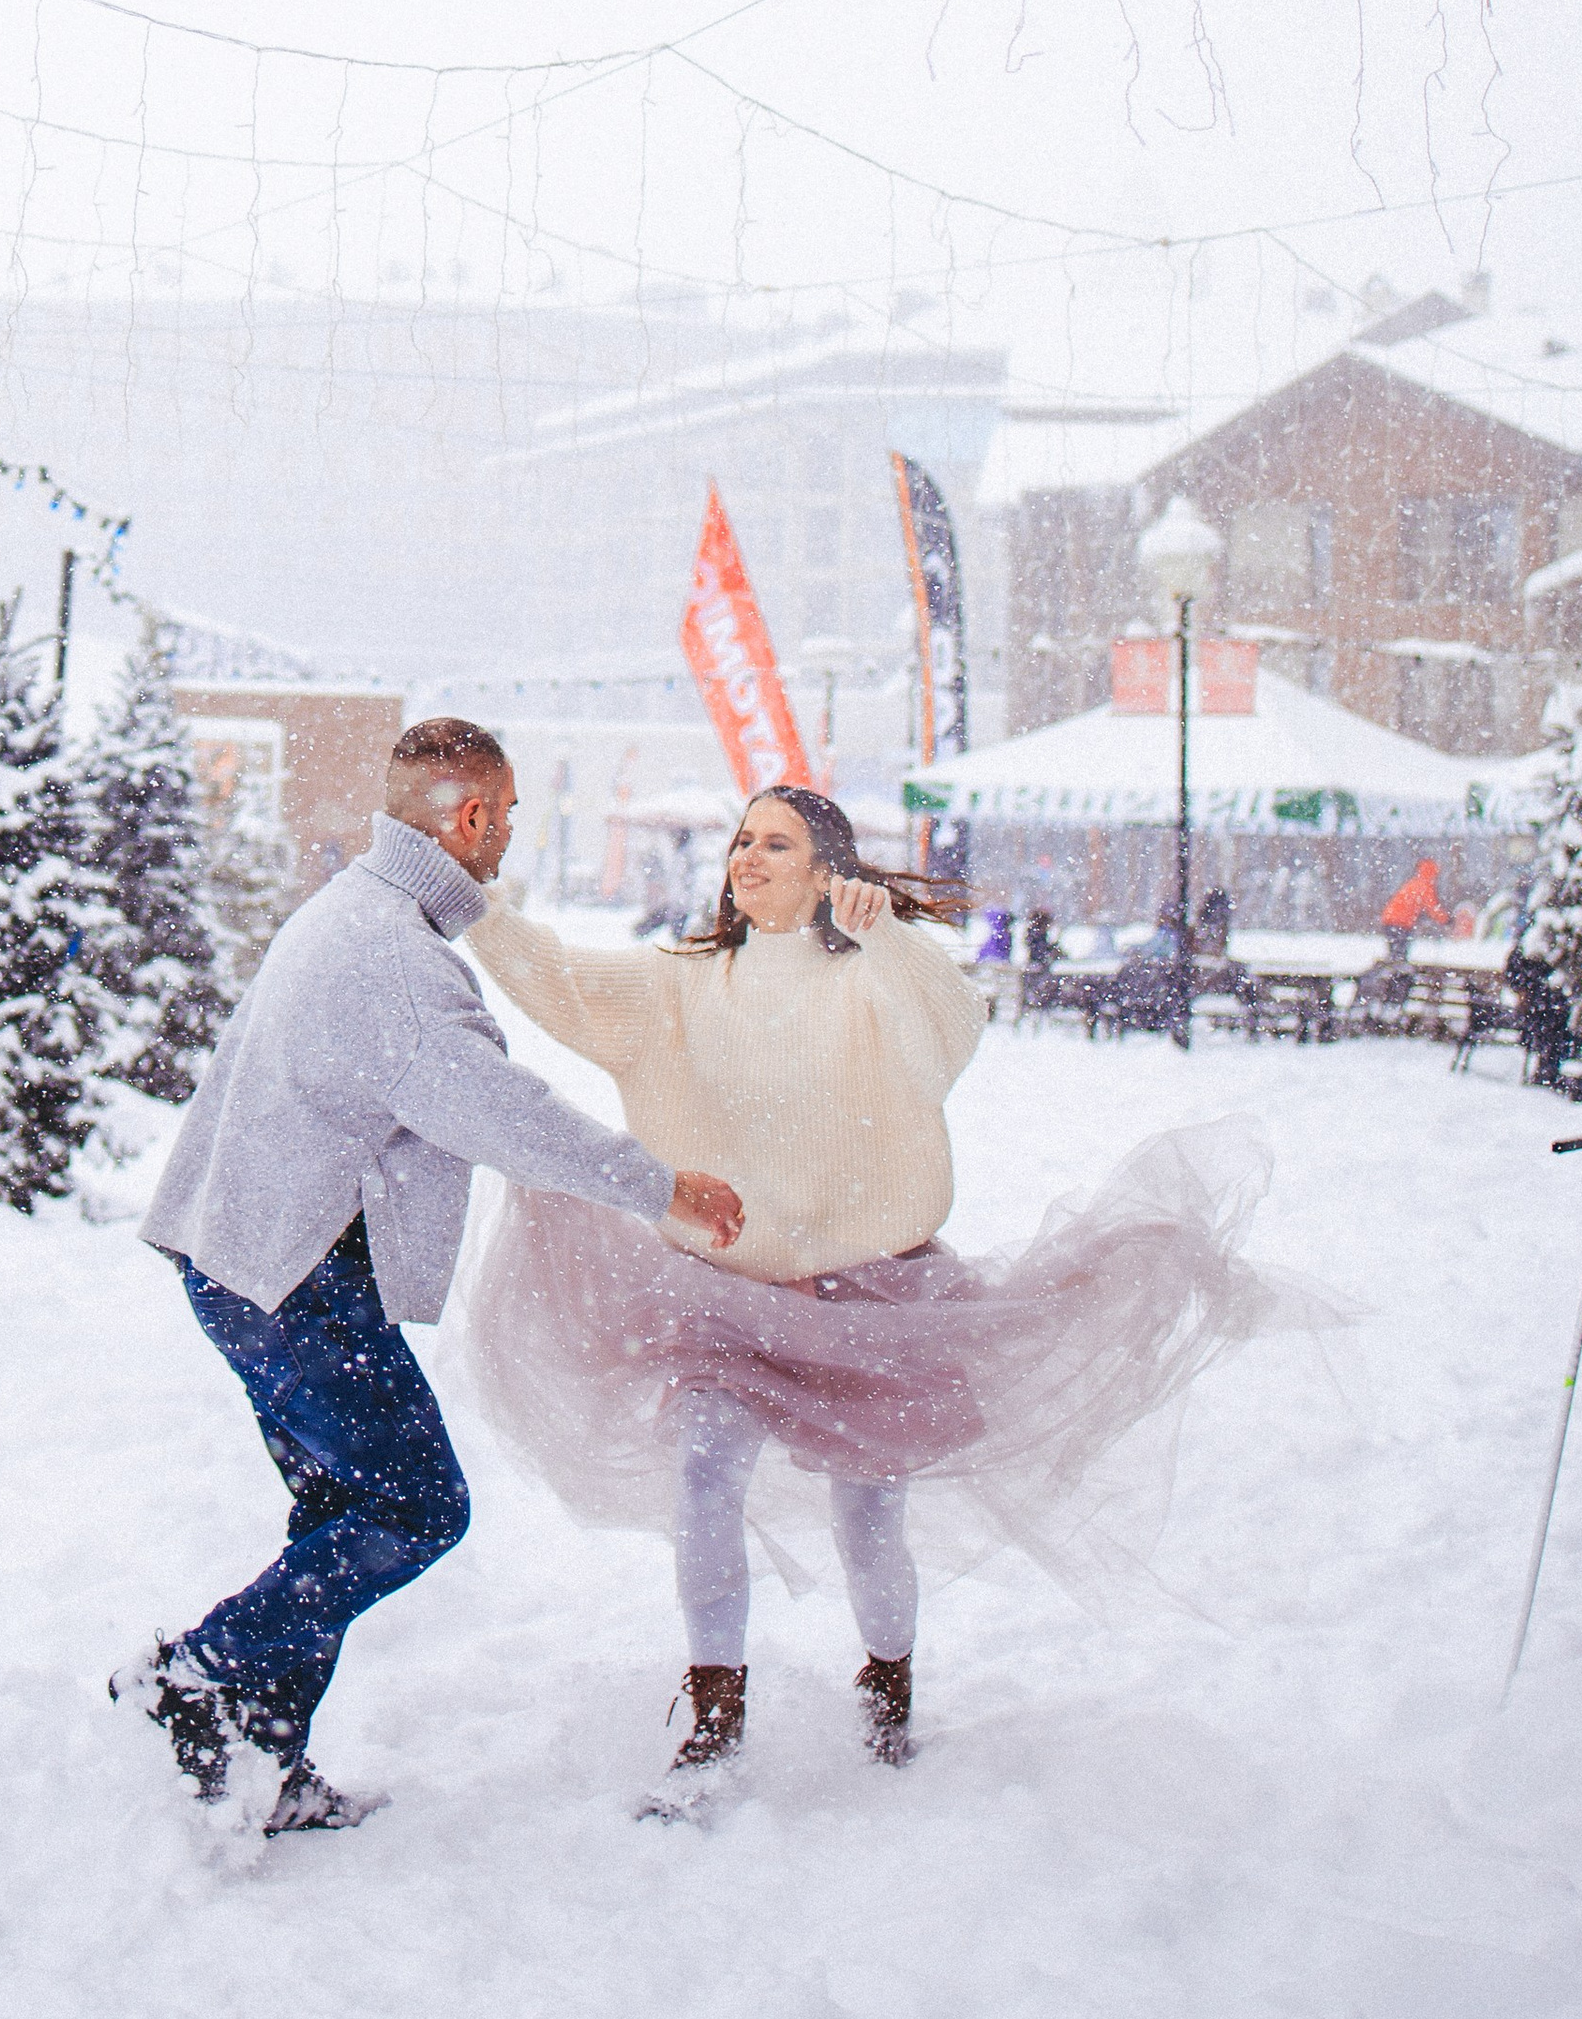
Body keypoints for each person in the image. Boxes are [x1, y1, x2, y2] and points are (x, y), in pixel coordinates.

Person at [457, 782, 1293, 1806]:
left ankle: (886, 1687)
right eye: (741, 840)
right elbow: (561, 978)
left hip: (874, 1300)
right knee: (706, 1479)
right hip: (731, 1298)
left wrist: (887, 941)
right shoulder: (682, 980)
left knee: (867, 1516)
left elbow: (946, 1032)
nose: (748, 858)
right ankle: (715, 1715)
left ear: (826, 869)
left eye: (777, 843)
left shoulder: (873, 978)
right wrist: (476, 904)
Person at [119, 716, 745, 1835]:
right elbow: (504, 1113)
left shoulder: (356, 913)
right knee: (414, 1504)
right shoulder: (396, 960)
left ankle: (257, 1757)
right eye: (503, 817)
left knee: (339, 1508)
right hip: (292, 1275)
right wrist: (662, 1190)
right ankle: (196, 1675)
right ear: (466, 818)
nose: (508, 836)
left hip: (250, 1257)